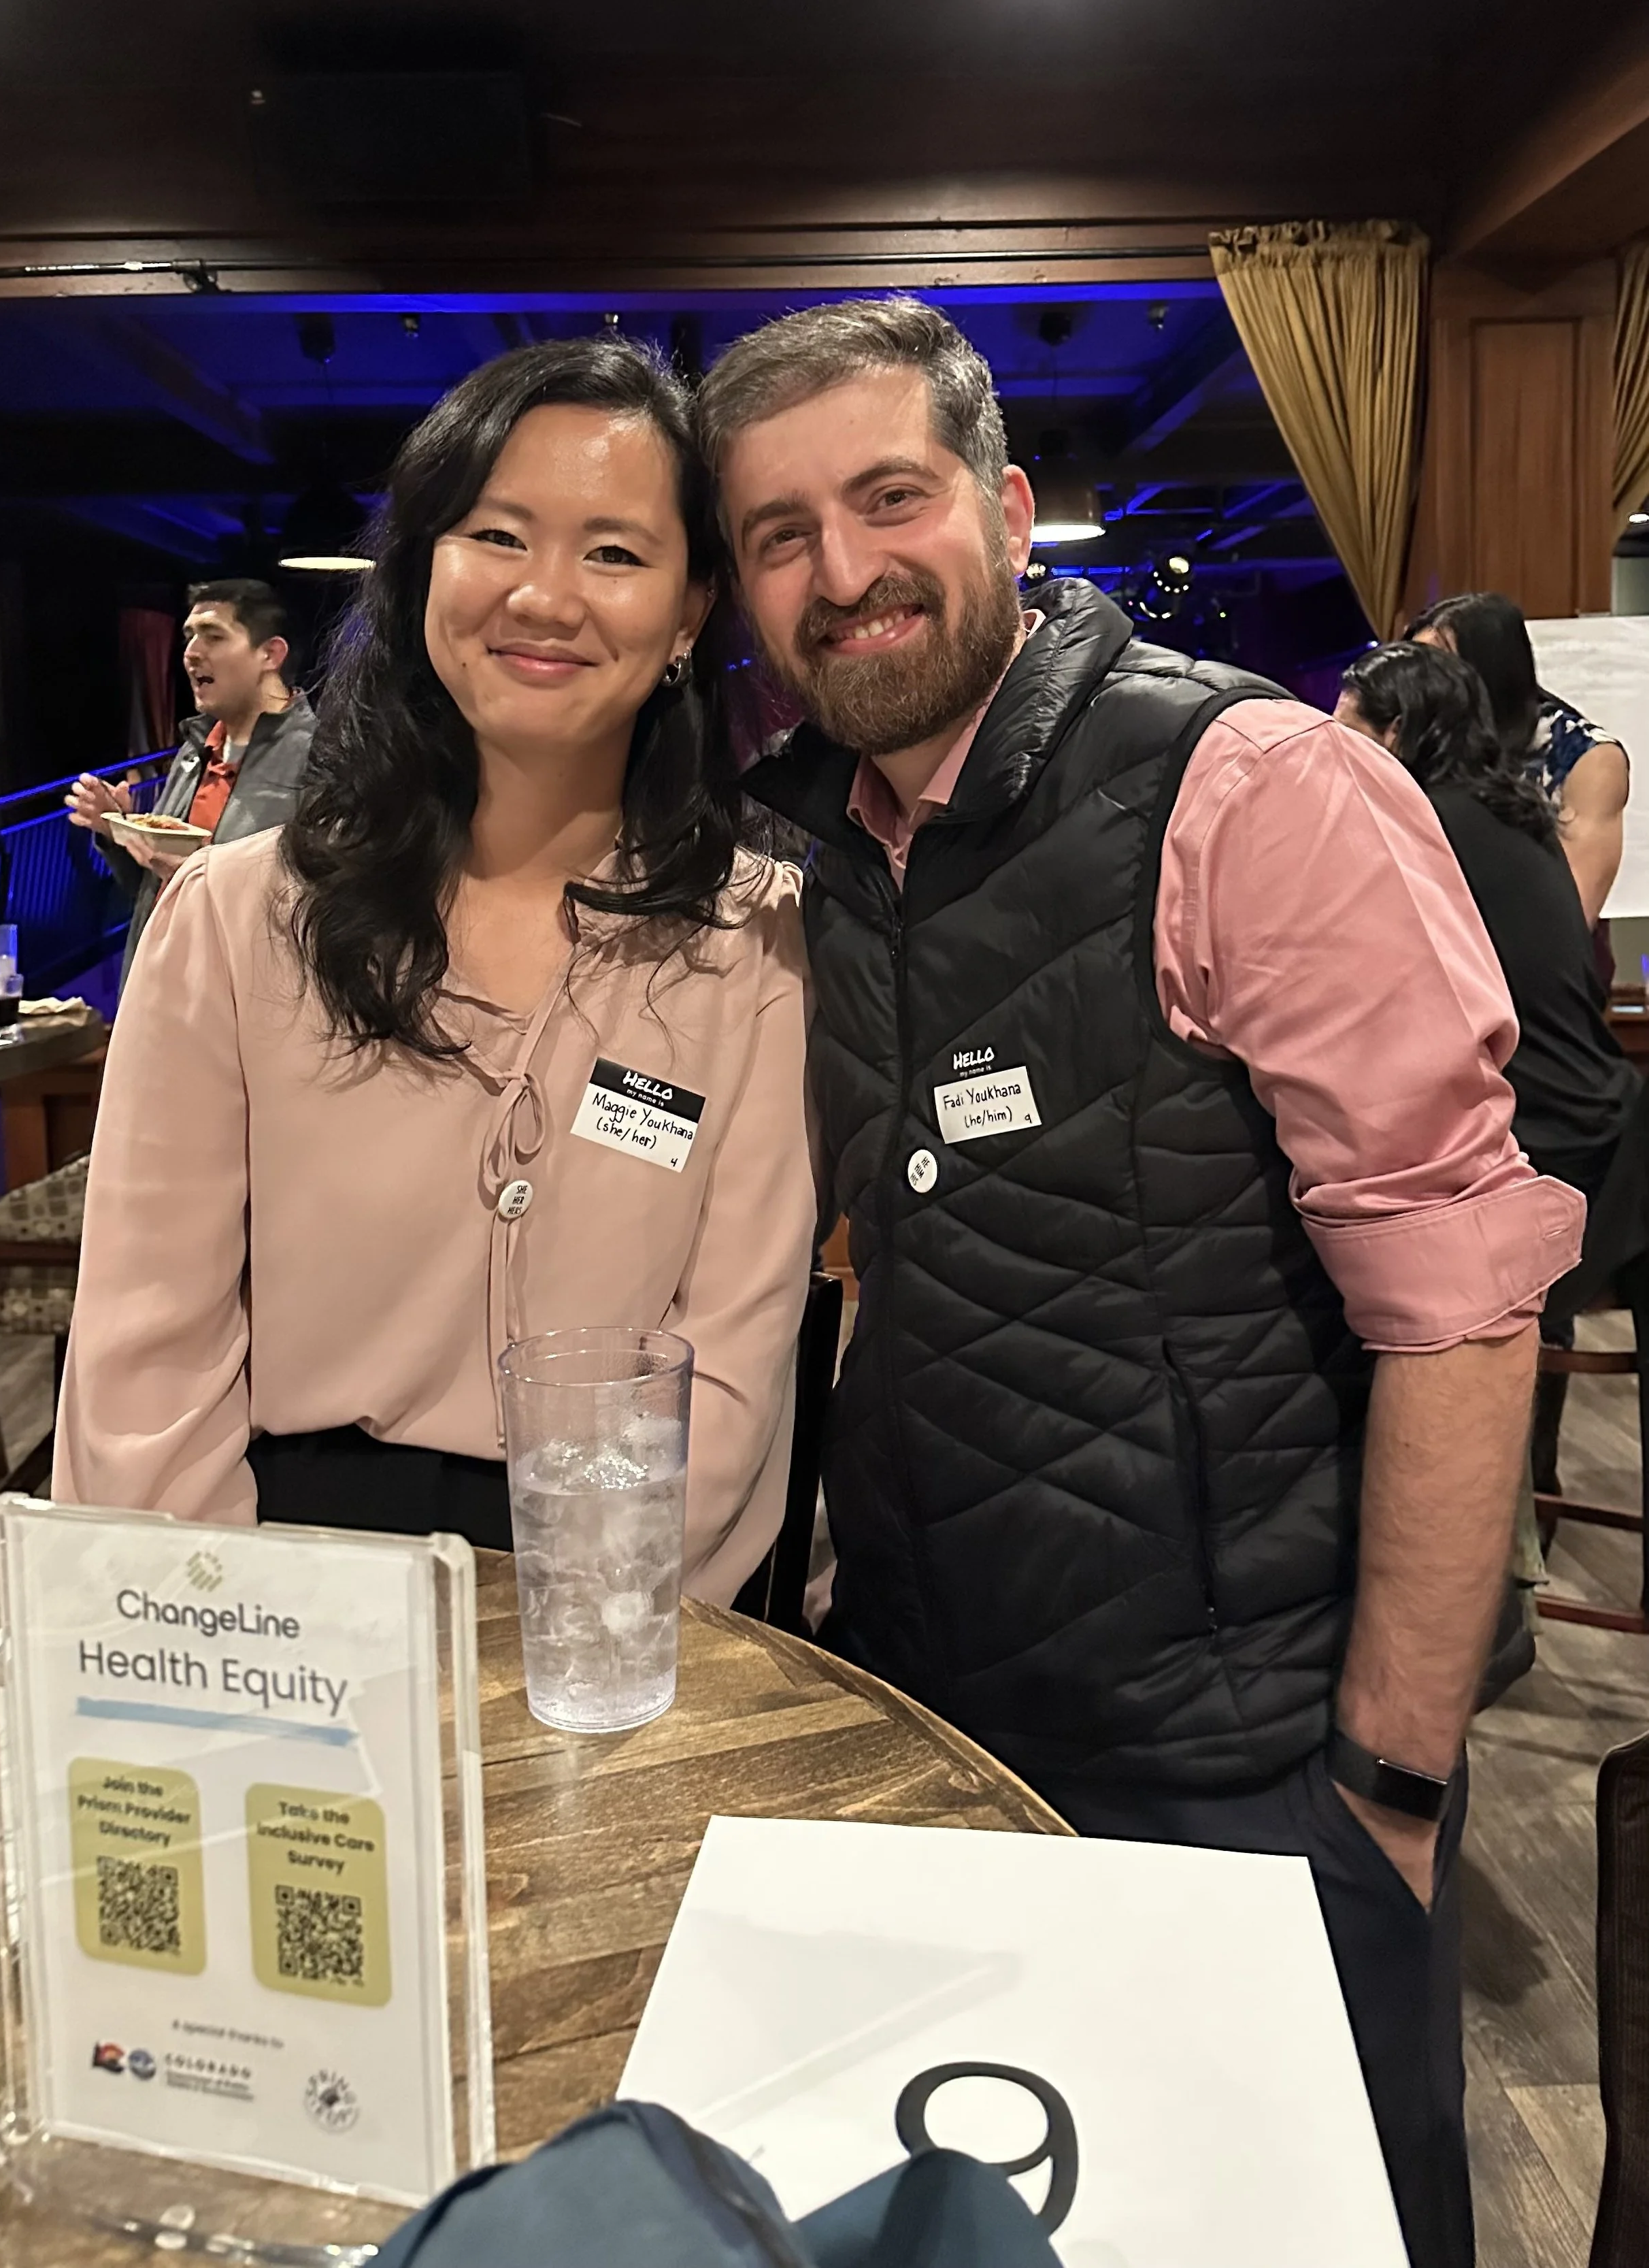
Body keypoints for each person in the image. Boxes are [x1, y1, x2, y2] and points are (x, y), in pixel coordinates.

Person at [699, 296, 1584, 2268]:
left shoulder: (1247, 789)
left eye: (886, 499)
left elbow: (1458, 1299)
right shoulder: (824, 855)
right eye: (777, 534)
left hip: (1245, 1760)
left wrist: (1387, 1781)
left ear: (1010, 510)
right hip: (941, 1718)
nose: (840, 573)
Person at [53, 336, 814, 1603]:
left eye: (616, 552)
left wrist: (572, 1641)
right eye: (498, 534)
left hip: (612, 1606)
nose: (546, 595)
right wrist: (225, 1644)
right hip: (271, 1587)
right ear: (421, 572)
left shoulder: (755, 950)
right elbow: (148, 1366)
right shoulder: (235, 924)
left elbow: (731, 1374)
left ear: (688, 615)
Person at [1337, 642, 1637, 1212]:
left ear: (1394, 734)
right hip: (1594, 1109)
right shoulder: (1514, 811)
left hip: (1533, 1133)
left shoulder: (1423, 825)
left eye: (1346, 736)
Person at [63, 578, 317, 989]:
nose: (191, 654)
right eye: (190, 637)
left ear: (270, 654)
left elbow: (328, 904)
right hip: (165, 990)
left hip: (252, 1003)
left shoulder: (321, 759)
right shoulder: (195, 750)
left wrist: (213, 883)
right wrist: (117, 829)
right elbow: (155, 886)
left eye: (213, 636)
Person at [1408, 591, 1629, 929]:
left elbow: (1573, 912)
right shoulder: (1417, 739)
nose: (1421, 687)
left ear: (1487, 672)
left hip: (1534, 957)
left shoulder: (1587, 758)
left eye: (1436, 669)